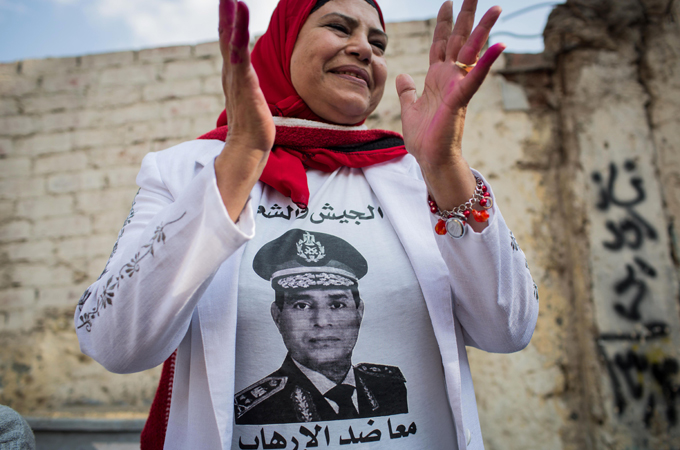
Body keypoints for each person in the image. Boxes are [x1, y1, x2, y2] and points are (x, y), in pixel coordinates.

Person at [75, 0, 539, 448]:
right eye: (339, 27)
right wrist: (239, 161)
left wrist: (445, 167)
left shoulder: (422, 176)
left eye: (378, 43)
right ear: (283, 43)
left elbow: (509, 330)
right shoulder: (184, 172)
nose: (364, 48)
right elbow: (115, 344)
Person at [235, 229, 408, 424]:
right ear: (277, 316)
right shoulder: (256, 409)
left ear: (359, 312)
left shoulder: (391, 388)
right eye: (302, 305)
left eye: (337, 305)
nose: (322, 321)